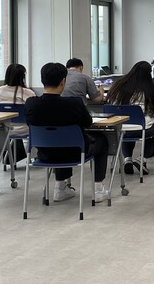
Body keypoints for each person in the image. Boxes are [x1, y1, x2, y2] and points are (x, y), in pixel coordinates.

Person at [25, 62, 109, 203]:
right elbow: (88, 123)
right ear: (63, 81)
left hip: (44, 153)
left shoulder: (30, 103)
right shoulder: (74, 103)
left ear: (42, 80)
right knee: (101, 140)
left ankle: (60, 188)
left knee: (57, 142)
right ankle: (98, 189)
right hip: (74, 153)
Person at [107, 61, 154, 174]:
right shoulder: (150, 89)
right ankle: (142, 159)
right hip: (143, 128)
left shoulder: (118, 86)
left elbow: (110, 103)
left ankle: (127, 159)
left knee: (126, 130)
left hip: (121, 128)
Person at [0, 63, 37, 160]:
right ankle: (37, 155)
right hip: (24, 129)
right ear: (22, 76)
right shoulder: (27, 92)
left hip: (6, 129)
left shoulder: (0, 90)